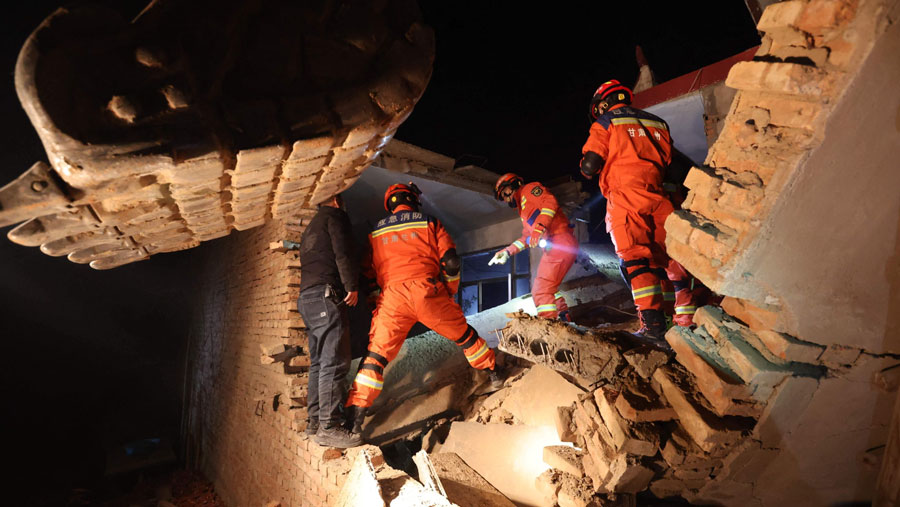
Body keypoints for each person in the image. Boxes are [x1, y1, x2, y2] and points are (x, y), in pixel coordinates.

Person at [345, 183, 503, 435]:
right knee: (465, 336)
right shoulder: (430, 222)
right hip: (427, 292)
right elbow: (451, 262)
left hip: (392, 298)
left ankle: (354, 419)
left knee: (375, 358)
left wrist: (377, 301)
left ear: (390, 204)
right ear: (413, 200)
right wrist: (449, 291)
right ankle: (494, 375)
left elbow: (368, 274)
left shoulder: (375, 232)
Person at [579, 79, 704, 341]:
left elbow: (590, 165)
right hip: (658, 197)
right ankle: (679, 321)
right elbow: (671, 166)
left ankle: (653, 327)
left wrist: (588, 167)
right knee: (666, 260)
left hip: (625, 197)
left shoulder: (606, 122)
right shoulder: (658, 123)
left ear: (602, 104)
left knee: (635, 259)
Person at [296, 193, 362, 448]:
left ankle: (314, 423)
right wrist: (351, 286)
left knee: (319, 363)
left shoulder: (311, 227)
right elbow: (342, 253)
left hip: (307, 300)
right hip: (325, 297)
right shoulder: (334, 217)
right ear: (335, 200)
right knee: (334, 364)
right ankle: (329, 427)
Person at [489, 174, 578, 322]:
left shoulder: (529, 190)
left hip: (559, 242)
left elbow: (550, 202)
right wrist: (507, 251)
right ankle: (563, 317)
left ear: (514, 184)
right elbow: (526, 238)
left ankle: (548, 326)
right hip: (558, 245)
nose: (505, 199)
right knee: (549, 287)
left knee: (541, 290)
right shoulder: (523, 211)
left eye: (504, 193)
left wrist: (539, 228)